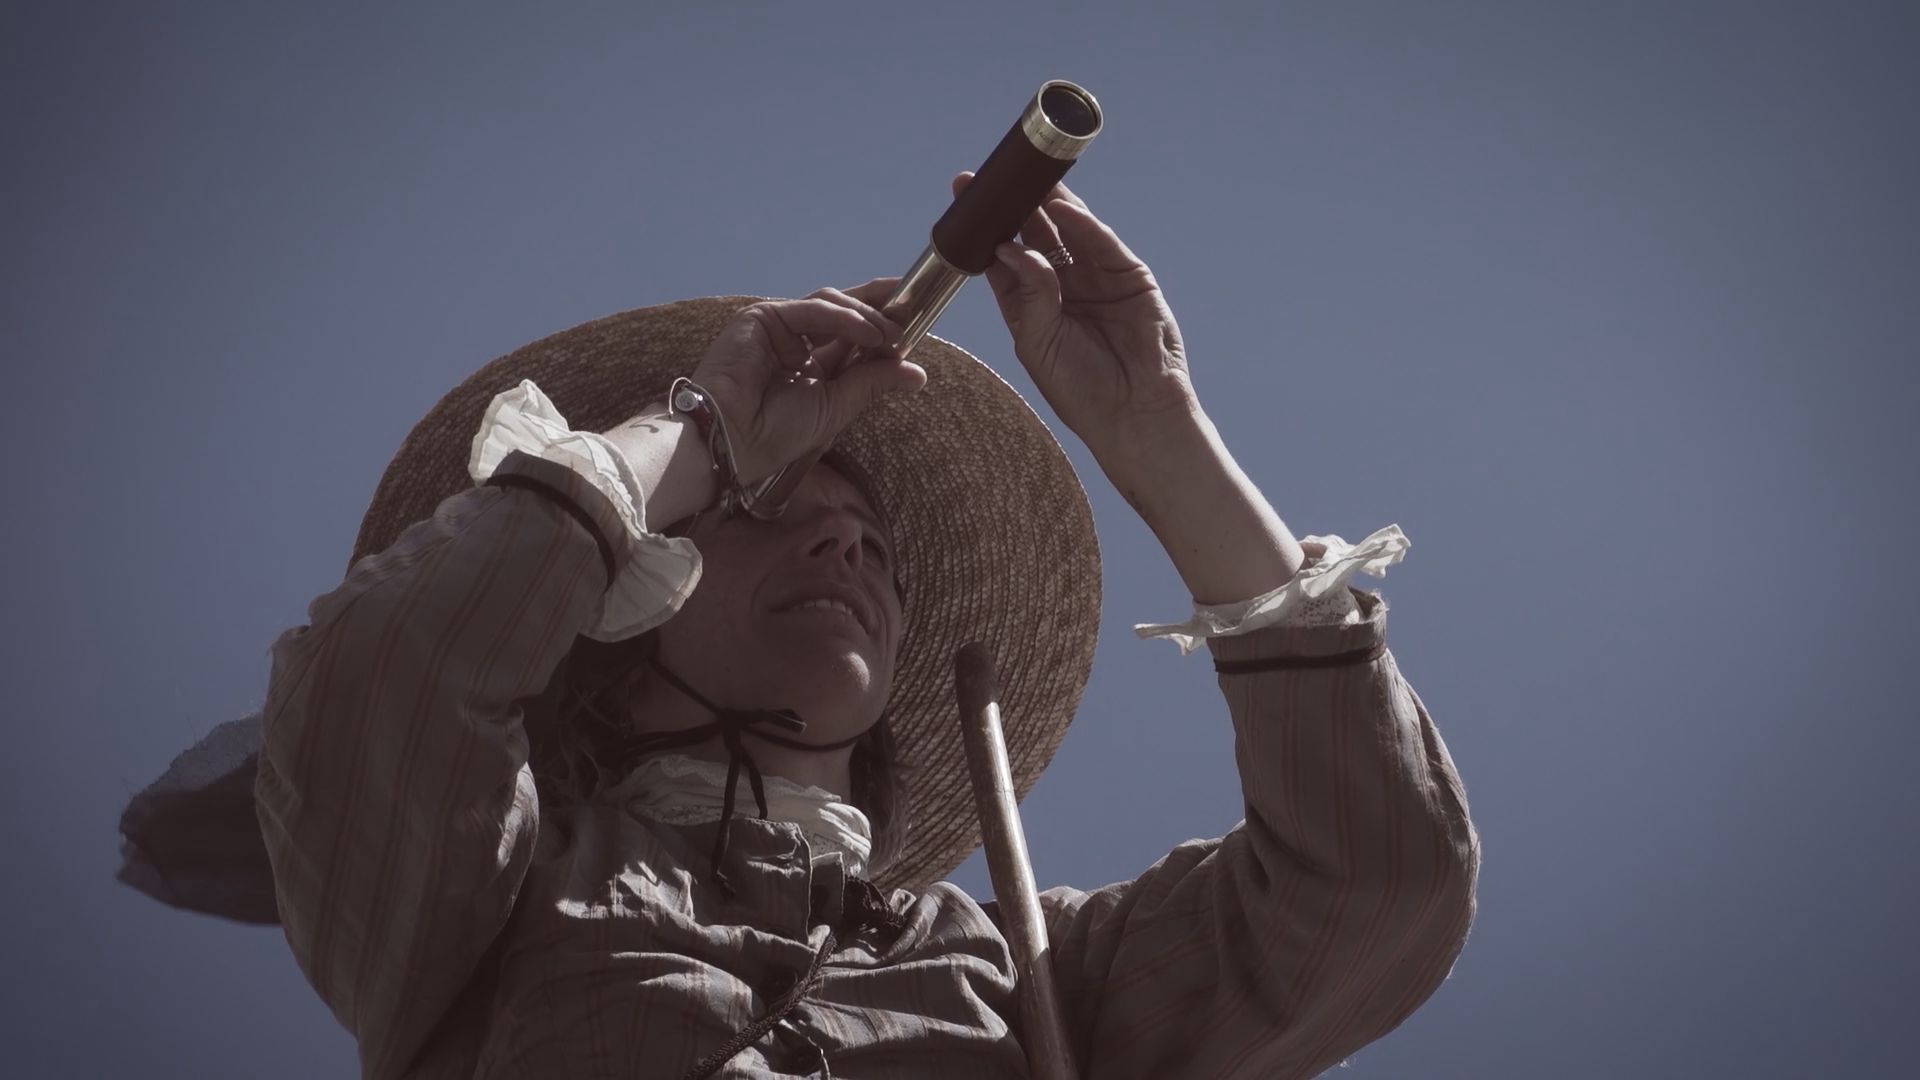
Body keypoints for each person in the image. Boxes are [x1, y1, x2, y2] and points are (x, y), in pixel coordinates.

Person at [118, 176, 1479, 1078]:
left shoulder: (1038, 969)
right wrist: (701, 429)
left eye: (875, 542)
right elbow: (389, 673)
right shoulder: (491, 880)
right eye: (768, 509)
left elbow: (1376, 888)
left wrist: (1159, 434)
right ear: (628, 584)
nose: (848, 545)